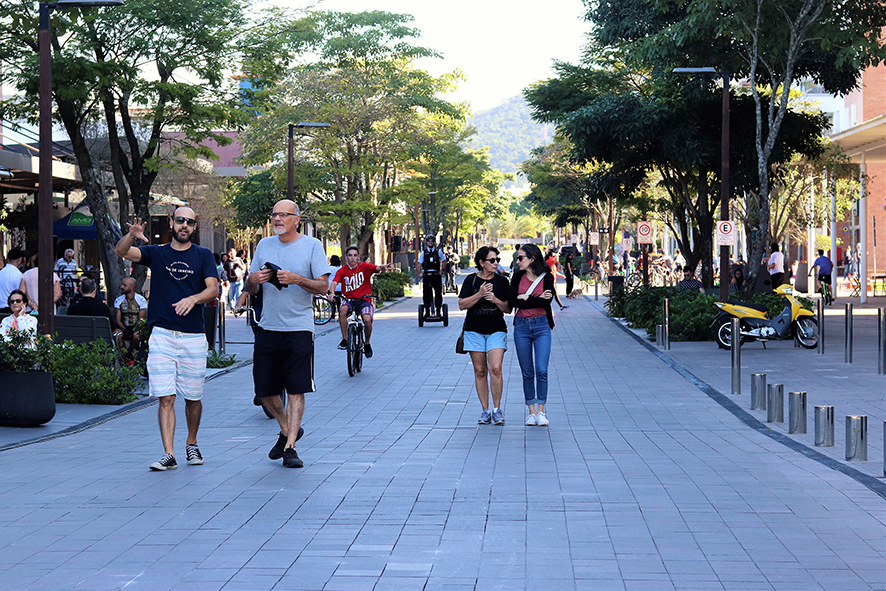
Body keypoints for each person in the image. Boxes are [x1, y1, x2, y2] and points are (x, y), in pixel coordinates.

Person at [115, 207, 218, 472]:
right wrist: (131, 234)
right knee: (165, 396)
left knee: (193, 397)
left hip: (194, 336)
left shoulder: (203, 255)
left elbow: (213, 288)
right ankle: (169, 453)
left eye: (190, 222)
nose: (184, 225)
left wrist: (193, 299)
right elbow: (122, 251)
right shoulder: (157, 253)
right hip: (161, 334)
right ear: (171, 223)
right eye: (180, 220)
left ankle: (191, 443)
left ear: (195, 227)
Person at [244, 199, 330, 469]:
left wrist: (297, 279)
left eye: (283, 215)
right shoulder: (264, 245)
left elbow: (323, 286)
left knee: (295, 389)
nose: (277, 219)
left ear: (297, 219)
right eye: (274, 215)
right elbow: (251, 288)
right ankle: (286, 429)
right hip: (268, 327)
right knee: (265, 390)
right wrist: (252, 281)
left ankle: (290, 447)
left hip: (299, 330)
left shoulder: (312, 246)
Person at [459, 246, 511, 426]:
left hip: (496, 329)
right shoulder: (471, 280)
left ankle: (497, 410)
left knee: (495, 368)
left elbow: (508, 308)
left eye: (497, 259)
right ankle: (485, 410)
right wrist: (480, 294)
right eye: (492, 260)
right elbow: (461, 304)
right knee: (480, 370)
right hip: (474, 330)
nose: (496, 263)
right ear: (481, 263)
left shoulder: (502, 282)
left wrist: (494, 299)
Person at [509, 244, 555, 427]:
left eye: (521, 258)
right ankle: (531, 412)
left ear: (532, 258)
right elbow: (511, 301)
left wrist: (525, 298)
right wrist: (536, 299)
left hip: (542, 325)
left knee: (541, 370)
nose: (518, 261)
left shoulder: (547, 277)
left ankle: (542, 411)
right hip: (521, 326)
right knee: (527, 371)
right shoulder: (517, 276)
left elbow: (548, 301)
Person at [328, 246, 393, 358]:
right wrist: (331, 292)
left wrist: (385, 267)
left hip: (364, 300)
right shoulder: (342, 270)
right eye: (350, 255)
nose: (352, 258)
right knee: (342, 310)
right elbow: (334, 282)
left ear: (358, 257)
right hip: (349, 299)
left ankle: (367, 343)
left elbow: (377, 268)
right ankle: (345, 339)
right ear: (346, 257)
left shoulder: (365, 267)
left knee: (367, 320)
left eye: (355, 255)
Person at [113, 277, 148, 356]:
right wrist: (124, 329)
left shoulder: (141, 300)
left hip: (136, 327)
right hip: (123, 326)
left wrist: (134, 329)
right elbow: (118, 320)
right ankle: (125, 355)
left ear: (132, 287)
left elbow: (141, 320)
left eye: (124, 285)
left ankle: (131, 352)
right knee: (117, 336)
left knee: (136, 335)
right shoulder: (118, 300)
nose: (122, 287)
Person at [416, 235, 445, 317]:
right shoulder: (424, 252)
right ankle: (427, 311)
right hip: (427, 274)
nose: (430, 243)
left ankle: (438, 310)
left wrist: (441, 270)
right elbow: (419, 262)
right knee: (426, 293)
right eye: (429, 241)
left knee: (438, 292)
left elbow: (443, 260)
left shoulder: (438, 251)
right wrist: (420, 272)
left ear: (434, 242)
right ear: (427, 242)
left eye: (432, 241)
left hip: (436, 274)